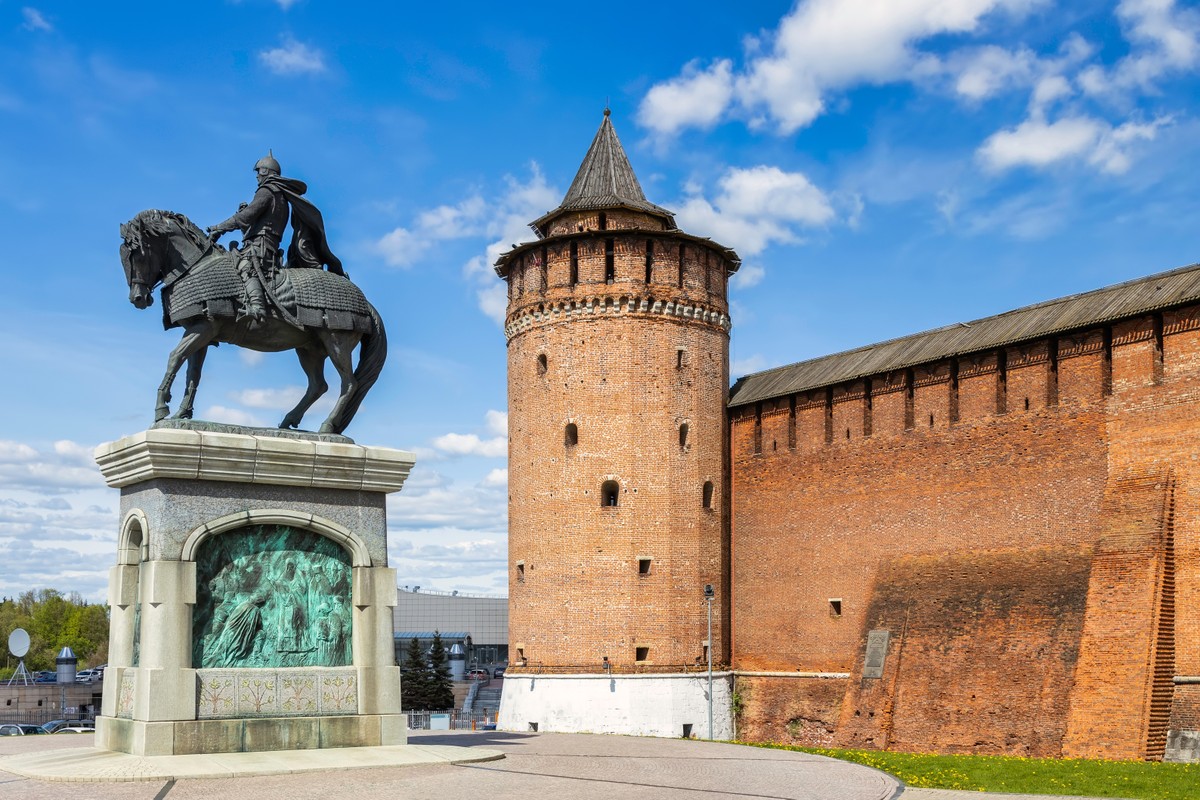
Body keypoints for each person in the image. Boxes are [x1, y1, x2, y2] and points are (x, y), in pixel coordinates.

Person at [206, 151, 344, 323]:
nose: (257, 176)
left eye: (259, 171)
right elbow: (254, 221)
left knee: (245, 266)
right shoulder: (279, 195)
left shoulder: (266, 191)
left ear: (266, 171)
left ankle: (257, 306)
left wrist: (219, 228)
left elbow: (245, 217)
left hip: (260, 248)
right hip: (265, 245)